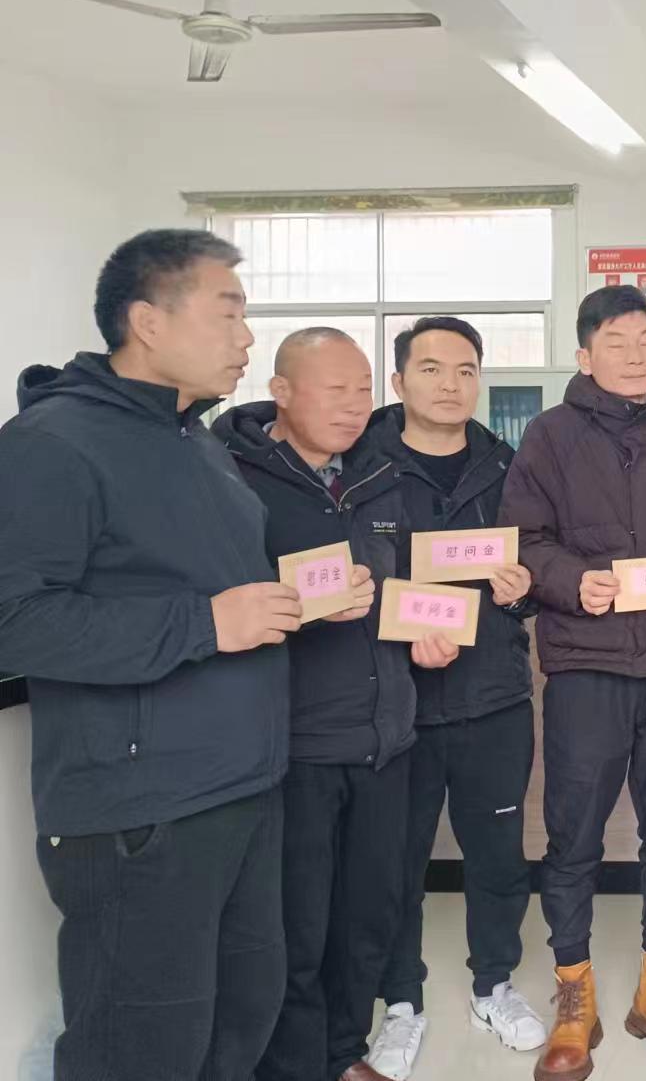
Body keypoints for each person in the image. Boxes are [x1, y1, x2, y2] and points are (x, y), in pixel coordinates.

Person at [0, 230, 361, 1081]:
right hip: (141, 813)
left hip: (244, 787)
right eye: (228, 313)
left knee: (241, 1018)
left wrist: (295, 600)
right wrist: (206, 623)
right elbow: (16, 620)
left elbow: (207, 588)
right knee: (141, 1047)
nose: (246, 336)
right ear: (147, 322)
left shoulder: (196, 442)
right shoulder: (52, 442)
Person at [499, 285, 646, 1080]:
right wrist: (572, 580)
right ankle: (576, 995)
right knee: (573, 838)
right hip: (586, 666)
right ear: (584, 354)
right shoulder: (549, 436)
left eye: (645, 339)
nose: (635, 355)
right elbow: (523, 539)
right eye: (616, 341)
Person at [215, 328, 423, 1081]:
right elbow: (217, 600)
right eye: (335, 389)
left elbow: (400, 588)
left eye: (363, 389)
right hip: (294, 745)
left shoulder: (381, 474)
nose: (353, 405)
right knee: (294, 924)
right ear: (281, 391)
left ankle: (342, 1052)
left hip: (384, 739)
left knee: (367, 916)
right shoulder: (232, 478)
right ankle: (295, 1064)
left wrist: (429, 629)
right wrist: (293, 606)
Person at [363, 318, 546, 1079]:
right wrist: (401, 630)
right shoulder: (360, 467)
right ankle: (400, 1001)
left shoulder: (510, 466)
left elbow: (537, 568)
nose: (450, 383)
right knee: (392, 863)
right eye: (432, 368)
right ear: (399, 380)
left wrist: (522, 590)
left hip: (492, 697)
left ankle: (493, 983)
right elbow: (340, 579)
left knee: (499, 856)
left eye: (466, 370)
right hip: (393, 704)